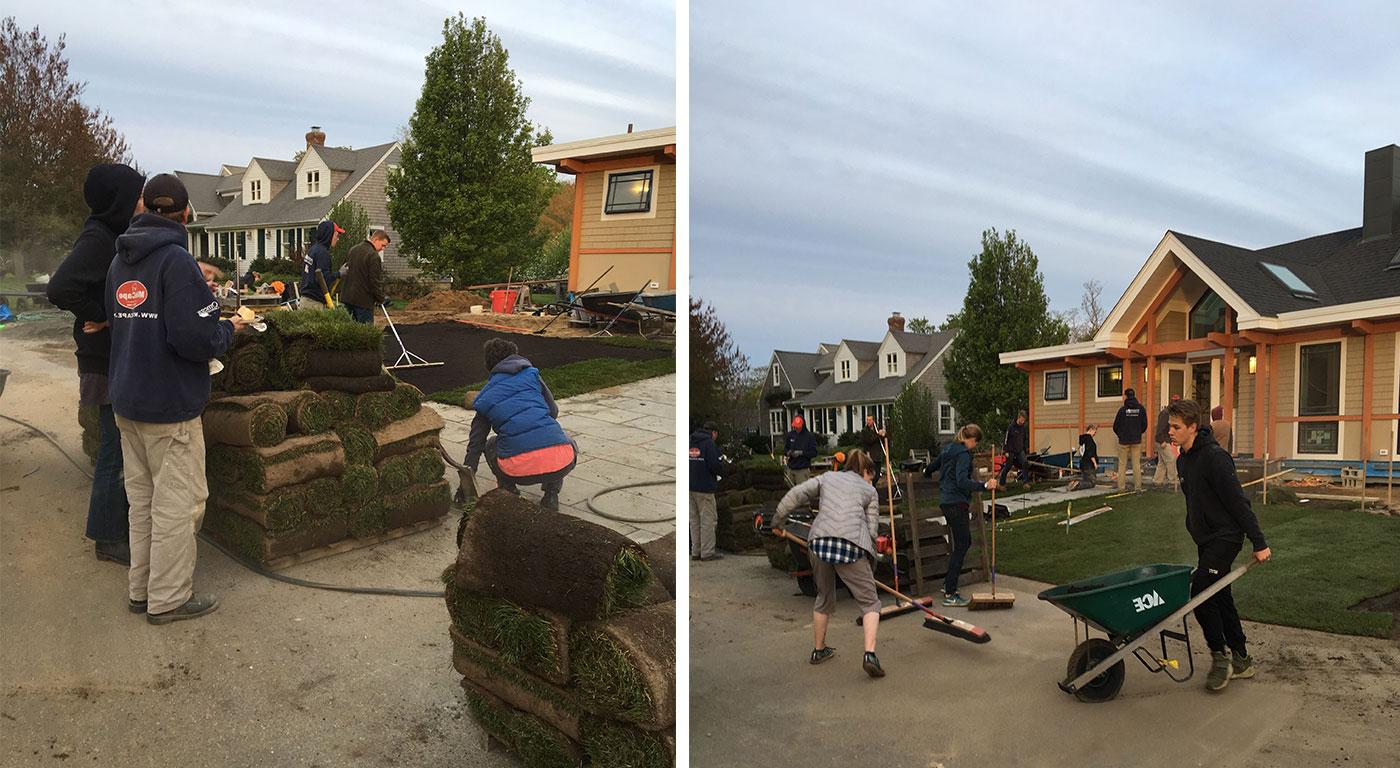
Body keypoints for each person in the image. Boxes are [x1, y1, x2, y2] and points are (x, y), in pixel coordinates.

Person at [107, 173, 246, 624]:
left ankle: (141, 589)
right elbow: (195, 338)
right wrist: (229, 328)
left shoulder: (120, 262)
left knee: (143, 503)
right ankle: (168, 599)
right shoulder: (175, 262)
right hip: (168, 407)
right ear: (186, 214)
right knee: (178, 506)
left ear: (143, 206)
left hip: (128, 402)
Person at [46, 163, 145, 566]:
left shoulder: (114, 235)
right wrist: (102, 313)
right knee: (113, 449)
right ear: (120, 199)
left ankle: (113, 528)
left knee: (117, 446)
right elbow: (59, 286)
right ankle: (107, 537)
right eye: (137, 195)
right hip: (102, 358)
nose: (142, 201)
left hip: (109, 355)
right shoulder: (99, 237)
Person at [1166, 398, 1271, 692]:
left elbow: (1239, 503)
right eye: (1169, 426)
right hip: (1206, 539)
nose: (1169, 431)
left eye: (1175, 427)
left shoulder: (1215, 458)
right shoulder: (1182, 460)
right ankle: (1241, 659)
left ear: (1192, 427)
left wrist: (1259, 542)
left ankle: (1218, 656)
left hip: (1226, 537)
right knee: (1220, 595)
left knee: (1200, 592)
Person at [773, 449, 887, 678]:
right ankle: (869, 655)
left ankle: (818, 650)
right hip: (851, 546)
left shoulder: (827, 477)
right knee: (870, 603)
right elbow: (872, 530)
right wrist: (872, 559)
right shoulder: (869, 490)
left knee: (824, 597)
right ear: (865, 470)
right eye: (870, 475)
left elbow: (796, 494)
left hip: (818, 543)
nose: (870, 480)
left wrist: (778, 520)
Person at [463, 338, 577, 511]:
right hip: (562, 464)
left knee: (491, 444)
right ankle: (551, 495)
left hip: (516, 470)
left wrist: (465, 485)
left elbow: (476, 444)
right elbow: (553, 411)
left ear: (488, 364)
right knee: (563, 440)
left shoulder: (485, 397)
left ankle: (509, 492)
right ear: (514, 356)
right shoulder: (532, 375)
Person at [923, 424, 998, 606]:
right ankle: (950, 592)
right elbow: (962, 481)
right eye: (976, 443)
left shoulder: (949, 448)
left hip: (947, 502)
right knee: (963, 543)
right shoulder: (963, 454)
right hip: (957, 502)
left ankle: (949, 583)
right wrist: (984, 486)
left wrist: (927, 471)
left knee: (962, 543)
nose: (975, 447)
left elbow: (935, 464)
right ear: (971, 440)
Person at [689, 421, 724, 562]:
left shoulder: (690, 439)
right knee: (708, 520)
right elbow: (714, 465)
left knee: (694, 520)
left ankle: (696, 551)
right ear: (713, 432)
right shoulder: (709, 443)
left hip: (690, 486)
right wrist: (721, 470)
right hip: (704, 488)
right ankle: (707, 552)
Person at [340, 229, 391, 324]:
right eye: (383, 245)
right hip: (363, 302)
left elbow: (345, 271)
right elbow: (374, 282)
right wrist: (381, 299)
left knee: (350, 332)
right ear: (376, 240)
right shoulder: (373, 256)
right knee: (365, 334)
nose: (383, 249)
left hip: (347, 298)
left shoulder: (353, 250)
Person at [297, 219, 343, 308]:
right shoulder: (323, 253)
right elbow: (323, 280)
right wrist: (339, 274)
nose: (338, 239)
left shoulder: (313, 249)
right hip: (314, 303)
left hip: (305, 300)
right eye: (336, 235)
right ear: (329, 235)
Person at [1113, 388, 1148, 491]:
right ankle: (1138, 487)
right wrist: (1138, 433)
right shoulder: (1141, 409)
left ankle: (1121, 488)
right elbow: (1145, 425)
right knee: (1136, 464)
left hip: (1123, 441)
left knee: (1122, 465)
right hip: (1136, 440)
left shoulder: (1122, 410)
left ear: (1126, 396)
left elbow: (1115, 426)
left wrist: (1121, 435)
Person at [1153, 394, 1181, 489]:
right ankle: (1173, 482)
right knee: (1171, 460)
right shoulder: (1165, 414)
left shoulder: (1170, 413)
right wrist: (1162, 441)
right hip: (1162, 441)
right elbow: (1160, 429)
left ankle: (1157, 481)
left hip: (1165, 440)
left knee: (1162, 462)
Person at [782, 415, 818, 488]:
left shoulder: (809, 436)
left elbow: (814, 453)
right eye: (794, 426)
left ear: (803, 426)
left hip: (802, 469)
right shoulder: (790, 435)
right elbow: (785, 449)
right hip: (791, 468)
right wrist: (788, 453)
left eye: (798, 427)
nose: (796, 428)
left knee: (802, 492)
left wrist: (801, 453)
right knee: (790, 491)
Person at [998, 410, 1029, 485]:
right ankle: (1002, 483)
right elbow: (1006, 439)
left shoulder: (1023, 428)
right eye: (1022, 419)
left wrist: (1025, 449)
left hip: (1019, 450)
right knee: (1008, 466)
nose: (1023, 421)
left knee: (1025, 463)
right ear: (1019, 418)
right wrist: (1006, 451)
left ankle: (1026, 482)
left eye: (1024, 420)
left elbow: (1025, 439)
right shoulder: (1011, 427)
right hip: (1010, 450)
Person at [857, 415, 887, 483]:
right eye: (867, 420)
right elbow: (869, 440)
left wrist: (883, 434)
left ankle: (873, 487)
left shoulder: (876, 429)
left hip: (877, 456)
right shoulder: (865, 431)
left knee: (877, 476)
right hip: (870, 456)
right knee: (871, 475)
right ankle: (871, 488)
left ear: (873, 421)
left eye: (870, 420)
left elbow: (882, 440)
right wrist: (878, 435)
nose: (868, 421)